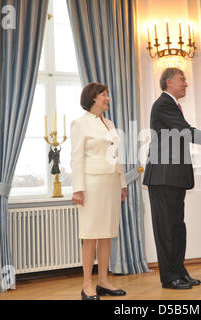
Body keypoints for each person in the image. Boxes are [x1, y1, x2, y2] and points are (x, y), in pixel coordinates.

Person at [143, 67, 201, 290]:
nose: (186, 84)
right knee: (166, 229)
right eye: (182, 79)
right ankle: (169, 277)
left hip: (174, 177)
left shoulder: (172, 105)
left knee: (177, 227)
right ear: (169, 82)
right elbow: (186, 132)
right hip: (163, 177)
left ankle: (179, 272)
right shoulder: (163, 103)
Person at [70, 82, 128, 300]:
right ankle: (87, 285)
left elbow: (116, 155)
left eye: (107, 95)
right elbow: (76, 158)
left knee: (107, 234)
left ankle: (103, 281)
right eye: (104, 95)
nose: (108, 98)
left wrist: (122, 183)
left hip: (111, 184)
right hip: (91, 186)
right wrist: (78, 189)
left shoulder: (110, 123)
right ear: (93, 98)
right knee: (90, 235)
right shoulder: (79, 124)